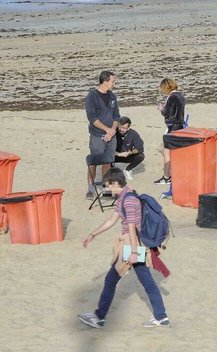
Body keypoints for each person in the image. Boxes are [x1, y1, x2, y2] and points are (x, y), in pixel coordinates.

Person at [78, 168, 170, 328]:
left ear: (115, 183)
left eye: (107, 186)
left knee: (111, 279)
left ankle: (99, 317)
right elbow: (111, 220)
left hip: (132, 245)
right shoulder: (124, 196)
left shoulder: (129, 201)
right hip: (133, 245)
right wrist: (93, 234)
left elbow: (133, 228)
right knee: (147, 282)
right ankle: (161, 316)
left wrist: (134, 252)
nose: (106, 190)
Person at [85, 70, 120, 200]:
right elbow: (92, 118)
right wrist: (107, 130)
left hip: (111, 136)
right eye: (113, 81)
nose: (114, 84)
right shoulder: (92, 96)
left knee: (108, 162)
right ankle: (90, 188)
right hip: (97, 135)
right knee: (93, 163)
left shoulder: (112, 97)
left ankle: (106, 189)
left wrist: (112, 131)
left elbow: (117, 116)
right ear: (105, 81)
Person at [154, 78, 186, 184]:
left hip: (172, 126)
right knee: (175, 152)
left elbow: (166, 113)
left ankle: (166, 177)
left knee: (166, 152)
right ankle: (174, 174)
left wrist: (161, 108)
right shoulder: (181, 95)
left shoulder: (172, 97)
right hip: (180, 125)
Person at [114, 116, 145, 181]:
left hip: (127, 155)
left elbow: (140, 148)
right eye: (120, 127)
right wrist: (119, 154)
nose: (121, 129)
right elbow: (106, 149)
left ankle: (127, 170)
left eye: (124, 128)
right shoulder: (113, 132)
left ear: (128, 128)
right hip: (114, 155)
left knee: (141, 156)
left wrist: (130, 152)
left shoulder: (133, 134)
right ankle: (111, 170)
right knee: (105, 155)